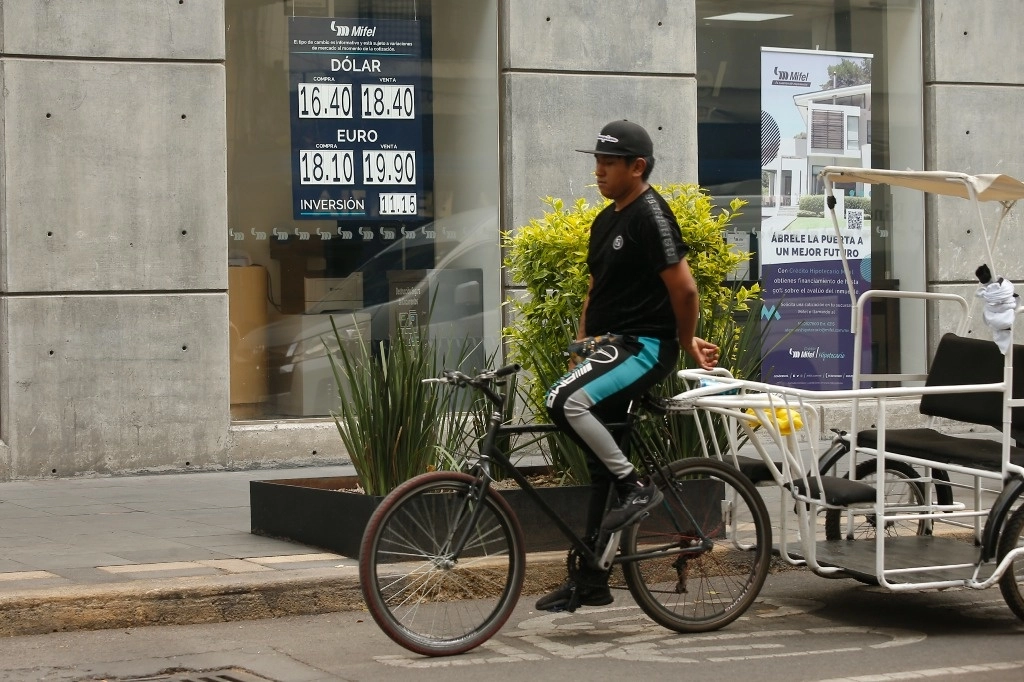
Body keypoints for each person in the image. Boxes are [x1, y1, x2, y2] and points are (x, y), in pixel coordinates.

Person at [536, 119, 720, 612]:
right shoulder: (605, 220)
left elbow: (684, 288)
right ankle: (593, 582)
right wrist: (581, 345)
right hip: (609, 347)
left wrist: (682, 341)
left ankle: (636, 485)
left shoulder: (651, 215)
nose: (597, 171)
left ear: (636, 167)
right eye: (596, 161)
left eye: (608, 163)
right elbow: (596, 290)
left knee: (564, 400)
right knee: (599, 468)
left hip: (644, 348)